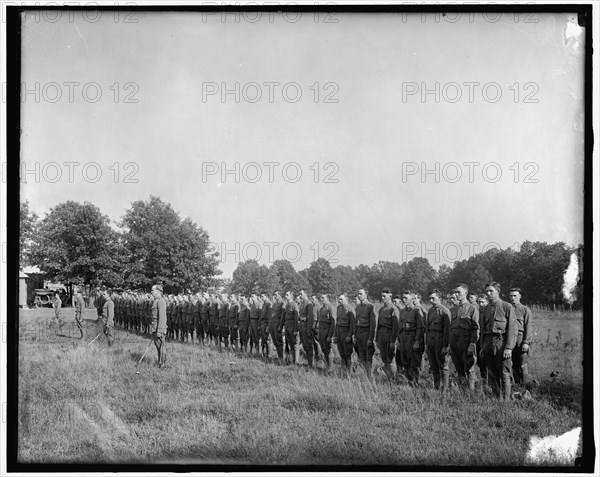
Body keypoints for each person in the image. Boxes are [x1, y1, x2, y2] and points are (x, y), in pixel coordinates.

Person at [480, 282, 517, 400]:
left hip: (501, 342)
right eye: (487, 291)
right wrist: (482, 346)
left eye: (491, 291)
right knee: (491, 372)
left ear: (498, 292)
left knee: (504, 372)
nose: (488, 293)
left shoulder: (507, 307)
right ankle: (496, 397)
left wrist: (508, 347)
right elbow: (482, 330)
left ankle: (505, 400)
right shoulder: (486, 309)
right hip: (488, 342)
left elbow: (512, 329)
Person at [449, 284, 480, 390]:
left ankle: (471, 392)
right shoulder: (453, 310)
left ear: (466, 293)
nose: (456, 294)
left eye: (459, 292)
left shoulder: (472, 308)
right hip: (454, 342)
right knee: (459, 367)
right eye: (455, 292)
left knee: (469, 368)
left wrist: (472, 343)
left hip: (466, 342)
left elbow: (476, 328)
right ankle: (463, 390)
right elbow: (450, 328)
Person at [397, 290, 425, 385]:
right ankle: (409, 382)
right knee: (404, 362)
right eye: (403, 298)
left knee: (413, 363)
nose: (404, 300)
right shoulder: (402, 311)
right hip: (403, 338)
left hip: (412, 338)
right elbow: (399, 328)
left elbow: (420, 327)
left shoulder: (417, 311)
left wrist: (417, 341)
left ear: (412, 299)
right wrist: (399, 341)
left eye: (406, 298)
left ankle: (415, 383)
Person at [425, 289, 452, 391]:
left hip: (440, 341)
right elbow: (427, 328)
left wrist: (446, 345)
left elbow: (448, 330)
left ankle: (445, 389)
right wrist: (427, 343)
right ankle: (437, 387)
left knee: (443, 366)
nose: (431, 300)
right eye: (430, 298)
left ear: (439, 298)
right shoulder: (430, 311)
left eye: (433, 298)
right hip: (431, 341)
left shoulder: (445, 311)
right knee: (434, 366)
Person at [509, 287, 533, 387]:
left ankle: (526, 386)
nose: (513, 298)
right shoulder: (508, 308)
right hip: (510, 339)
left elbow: (529, 326)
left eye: (515, 296)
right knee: (513, 364)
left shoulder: (525, 309)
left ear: (520, 296)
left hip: (520, 338)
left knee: (522, 363)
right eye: (511, 296)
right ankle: (517, 385)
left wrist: (526, 342)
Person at [376, 288, 399, 379]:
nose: (382, 298)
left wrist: (393, 341)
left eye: (384, 296)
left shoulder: (394, 309)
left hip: (389, 335)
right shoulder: (381, 309)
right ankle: (388, 377)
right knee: (384, 358)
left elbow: (396, 327)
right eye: (382, 296)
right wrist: (377, 339)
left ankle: (393, 378)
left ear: (390, 296)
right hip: (381, 335)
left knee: (391, 359)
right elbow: (378, 325)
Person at [354, 288, 376, 379]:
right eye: (358, 294)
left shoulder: (370, 306)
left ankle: (370, 375)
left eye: (361, 294)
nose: (359, 295)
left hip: (366, 333)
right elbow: (356, 323)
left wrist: (370, 338)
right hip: (359, 333)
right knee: (361, 355)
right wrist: (355, 336)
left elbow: (372, 324)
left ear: (366, 295)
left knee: (368, 356)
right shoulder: (358, 307)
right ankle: (366, 374)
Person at [335, 293, 356, 374]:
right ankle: (343, 371)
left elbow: (352, 324)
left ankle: (349, 372)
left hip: (346, 332)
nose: (339, 301)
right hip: (339, 332)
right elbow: (337, 322)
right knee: (341, 353)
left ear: (346, 299)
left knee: (348, 354)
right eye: (339, 299)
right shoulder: (339, 308)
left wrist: (349, 335)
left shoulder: (350, 309)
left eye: (341, 299)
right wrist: (335, 335)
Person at [317, 293, 336, 370]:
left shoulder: (330, 308)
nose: (321, 299)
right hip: (321, 331)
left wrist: (330, 335)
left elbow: (333, 322)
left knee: (329, 350)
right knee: (323, 349)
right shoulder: (321, 309)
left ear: (327, 298)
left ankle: (330, 367)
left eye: (323, 298)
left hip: (327, 331)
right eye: (321, 298)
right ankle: (327, 365)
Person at [151, 284, 167, 367]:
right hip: (155, 327)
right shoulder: (156, 300)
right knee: (158, 347)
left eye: (152, 290)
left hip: (158, 328)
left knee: (161, 347)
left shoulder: (161, 301)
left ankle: (162, 364)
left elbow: (162, 317)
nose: (151, 292)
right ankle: (160, 362)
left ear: (158, 291)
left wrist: (160, 331)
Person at [298, 290, 315, 368]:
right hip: (301, 325)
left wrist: (308, 329)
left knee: (308, 346)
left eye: (301, 294)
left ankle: (310, 364)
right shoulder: (302, 303)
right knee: (305, 345)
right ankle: (308, 362)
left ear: (305, 294)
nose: (300, 295)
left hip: (306, 326)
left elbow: (310, 317)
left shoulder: (309, 304)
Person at [282, 291, 300, 364]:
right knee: (290, 344)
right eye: (285, 295)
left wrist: (296, 330)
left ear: (291, 296)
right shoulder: (287, 305)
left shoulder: (294, 305)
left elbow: (296, 318)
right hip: (287, 326)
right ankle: (292, 360)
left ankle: (296, 361)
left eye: (287, 295)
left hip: (292, 326)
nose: (285, 296)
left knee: (295, 344)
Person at [476, 294, 489, 381]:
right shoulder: (477, 313)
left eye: (483, 302)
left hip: (488, 339)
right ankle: (484, 380)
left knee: (489, 361)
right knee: (481, 362)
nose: (481, 304)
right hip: (479, 339)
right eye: (479, 302)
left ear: (487, 302)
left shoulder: (491, 312)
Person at [269, 291, 285, 361]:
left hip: (277, 323)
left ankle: (282, 357)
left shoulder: (282, 303)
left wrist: (280, 325)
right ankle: (279, 357)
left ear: (280, 295)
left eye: (276, 295)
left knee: (279, 341)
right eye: (274, 295)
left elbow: (282, 316)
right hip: (272, 323)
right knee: (275, 342)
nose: (274, 296)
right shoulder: (274, 304)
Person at [259, 293, 272, 358]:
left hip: (266, 323)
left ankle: (269, 355)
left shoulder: (268, 304)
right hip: (263, 323)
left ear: (266, 296)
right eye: (261, 296)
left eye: (262, 296)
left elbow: (269, 316)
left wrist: (268, 326)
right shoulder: (264, 304)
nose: (261, 298)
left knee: (268, 340)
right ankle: (265, 354)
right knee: (264, 339)